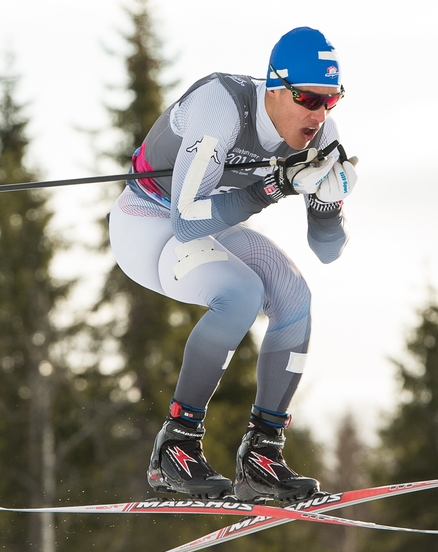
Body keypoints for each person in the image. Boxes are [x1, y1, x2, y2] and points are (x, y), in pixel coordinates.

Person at [107, 26, 357, 502]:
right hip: (147, 221)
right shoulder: (220, 105)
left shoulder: (321, 135)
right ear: (276, 86)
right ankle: (175, 446)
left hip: (212, 223)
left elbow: (326, 249)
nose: (318, 114)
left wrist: (328, 203)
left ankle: (263, 455)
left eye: (331, 101)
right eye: (307, 98)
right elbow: (184, 222)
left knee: (294, 296)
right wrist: (272, 188)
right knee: (240, 293)